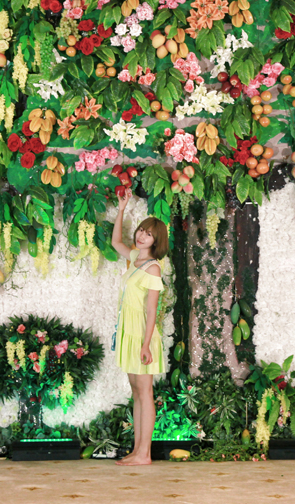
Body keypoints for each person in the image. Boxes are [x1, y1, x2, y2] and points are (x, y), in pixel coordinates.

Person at [110, 192, 168, 466]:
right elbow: (115, 243)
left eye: (149, 234)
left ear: (157, 241)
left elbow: (152, 310)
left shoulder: (153, 269)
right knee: (136, 391)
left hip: (143, 334)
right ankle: (137, 450)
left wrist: (146, 345)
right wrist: (121, 209)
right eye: (142, 231)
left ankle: (145, 453)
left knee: (145, 393)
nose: (142, 236)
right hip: (129, 331)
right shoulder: (135, 258)